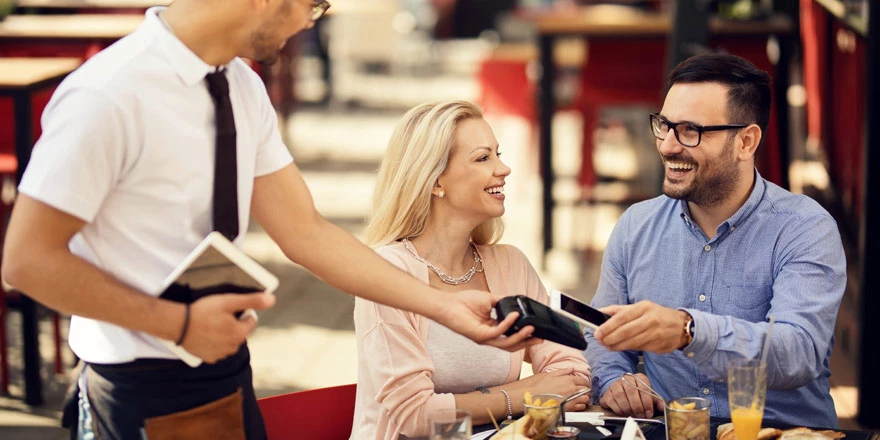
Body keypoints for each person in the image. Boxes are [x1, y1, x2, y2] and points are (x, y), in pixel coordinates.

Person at [0, 2, 538, 439]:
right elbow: (26, 262)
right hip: (134, 384)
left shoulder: (241, 86)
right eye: (313, 4)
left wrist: (444, 306)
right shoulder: (109, 94)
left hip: (226, 371)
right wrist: (179, 326)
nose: (312, 20)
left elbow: (305, 232)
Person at [583, 53, 846, 428]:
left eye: (691, 130)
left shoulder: (804, 227)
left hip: (782, 433)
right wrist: (613, 379)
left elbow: (798, 353)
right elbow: (600, 331)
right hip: (671, 431)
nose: (669, 146)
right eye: (665, 125)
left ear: (746, 141)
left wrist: (688, 331)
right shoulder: (635, 225)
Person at [350, 101, 591, 440]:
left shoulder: (510, 265)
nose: (504, 168)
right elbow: (416, 418)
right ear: (434, 181)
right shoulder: (387, 274)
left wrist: (486, 405)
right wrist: (526, 394)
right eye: (483, 158)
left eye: (498, 154)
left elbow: (572, 371)